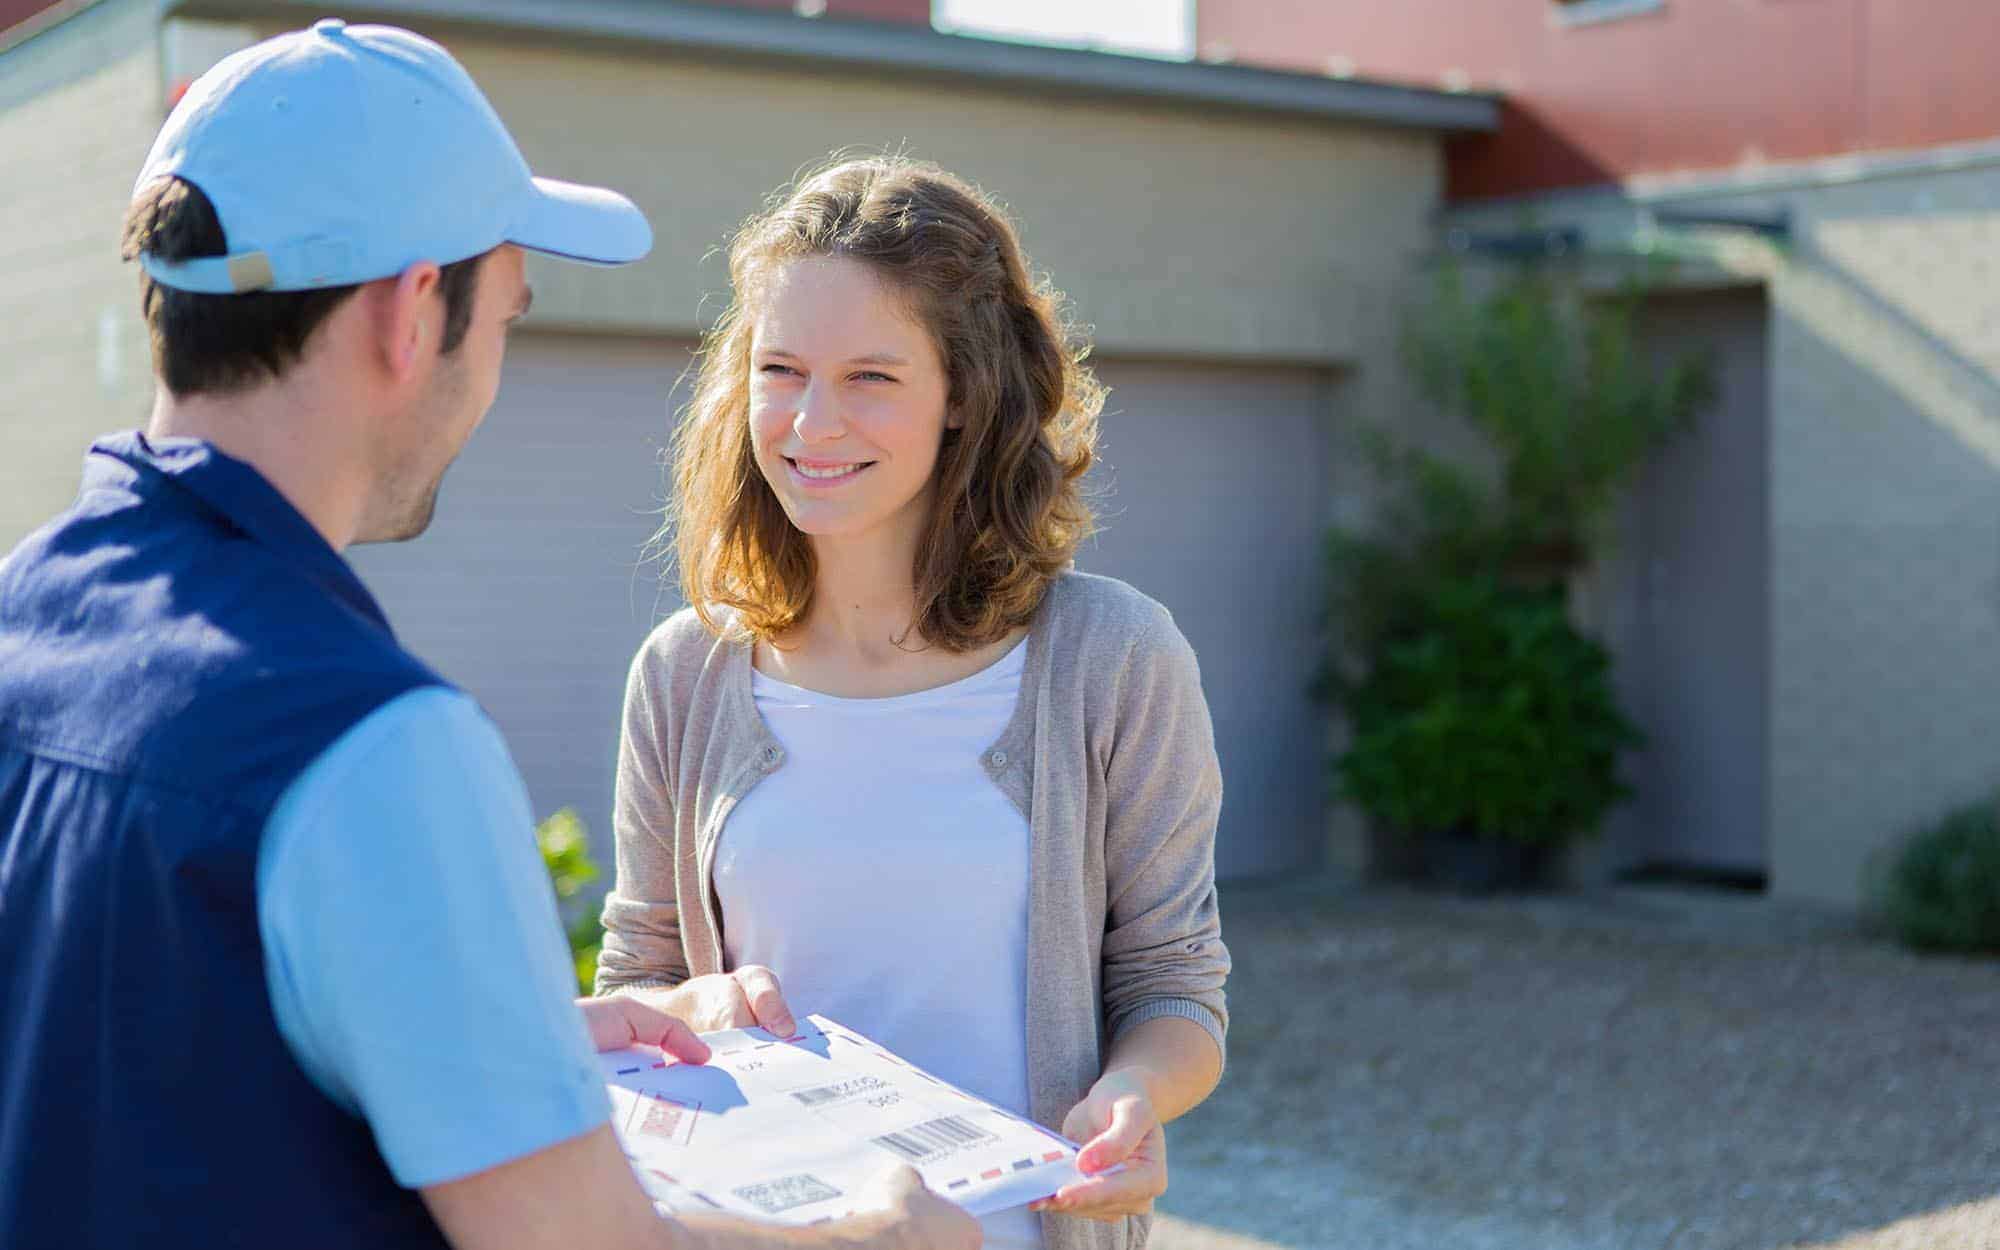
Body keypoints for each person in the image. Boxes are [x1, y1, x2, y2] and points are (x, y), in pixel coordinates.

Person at [0, 23, 976, 1250]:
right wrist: (880, 1234)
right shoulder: (364, 742)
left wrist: (511, 1033)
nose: (494, 370)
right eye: (507, 317)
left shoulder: (19, 627)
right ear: (413, 314)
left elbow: (139, 1036)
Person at [596, 156, 1232, 1250]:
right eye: (780, 368)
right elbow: (639, 980)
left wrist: (1132, 1095)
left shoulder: (1111, 657)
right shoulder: (682, 673)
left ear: (962, 396)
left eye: (871, 377)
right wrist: (690, 1012)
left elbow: (1173, 982)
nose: (810, 420)